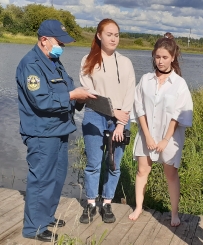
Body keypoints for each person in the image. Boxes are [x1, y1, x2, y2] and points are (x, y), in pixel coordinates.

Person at [16, 19, 96, 242]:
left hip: (60, 129)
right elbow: (41, 101)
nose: (63, 46)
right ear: (44, 40)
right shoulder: (30, 64)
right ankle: (34, 228)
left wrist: (83, 97)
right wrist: (73, 96)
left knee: (57, 177)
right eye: (59, 42)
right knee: (41, 179)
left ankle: (46, 216)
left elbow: (68, 89)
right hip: (41, 133)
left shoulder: (55, 61)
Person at [128, 33, 193, 227]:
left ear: (173, 57)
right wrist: (147, 136)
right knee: (142, 171)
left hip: (170, 137)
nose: (161, 61)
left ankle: (174, 213)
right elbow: (139, 107)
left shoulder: (179, 84)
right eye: (157, 57)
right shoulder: (146, 80)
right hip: (147, 133)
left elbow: (178, 114)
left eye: (165, 57)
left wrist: (165, 139)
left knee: (171, 174)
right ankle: (139, 206)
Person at [78, 18, 136, 224]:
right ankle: (91, 203)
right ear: (99, 36)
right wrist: (113, 112)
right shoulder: (88, 60)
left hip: (121, 120)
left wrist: (121, 122)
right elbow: (89, 94)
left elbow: (130, 93)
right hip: (95, 118)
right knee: (93, 164)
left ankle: (107, 202)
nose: (113, 38)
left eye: (116, 35)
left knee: (113, 164)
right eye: (109, 34)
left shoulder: (126, 62)